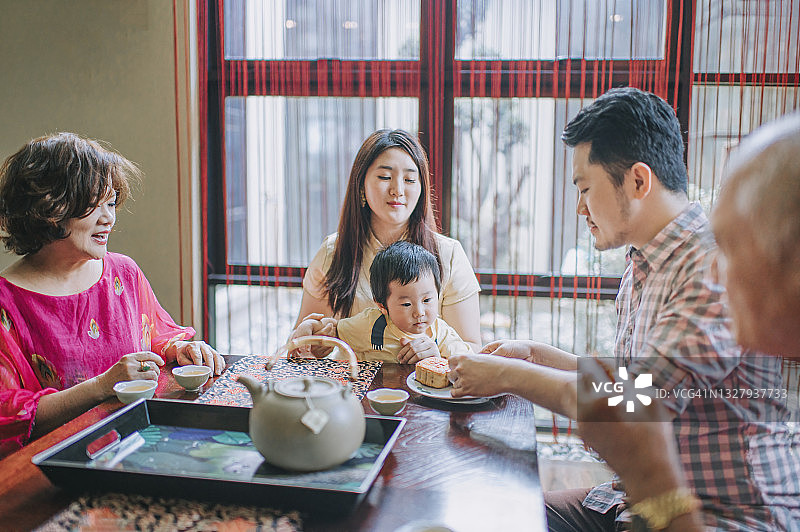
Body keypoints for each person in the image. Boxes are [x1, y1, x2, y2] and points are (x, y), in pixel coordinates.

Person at [446, 89, 799, 530]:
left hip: (726, 514)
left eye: (584, 188)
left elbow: (632, 402)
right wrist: (535, 354)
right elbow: (638, 379)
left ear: (637, 180)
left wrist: (504, 375)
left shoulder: (709, 265)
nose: (580, 208)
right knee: (499, 514)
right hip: (632, 499)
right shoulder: (643, 260)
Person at [574, 112, 800, 531]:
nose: (714, 273)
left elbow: (636, 401)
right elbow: (629, 392)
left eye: (732, 245)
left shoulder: (694, 265)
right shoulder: (641, 261)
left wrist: (650, 478)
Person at [0, 132, 225, 458]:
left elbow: (158, 338)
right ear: (48, 207)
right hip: (58, 466)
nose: (109, 217)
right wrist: (101, 386)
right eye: (93, 204)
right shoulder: (7, 302)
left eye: (111, 202)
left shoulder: (124, 273)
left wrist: (183, 349)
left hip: (140, 447)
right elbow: (8, 415)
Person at [293, 129, 481, 358]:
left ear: (421, 189)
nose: (398, 190)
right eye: (384, 177)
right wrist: (309, 342)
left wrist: (437, 357)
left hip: (422, 391)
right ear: (361, 185)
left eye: (410, 179)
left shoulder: (448, 254)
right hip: (353, 390)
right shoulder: (334, 252)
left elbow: (473, 351)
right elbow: (300, 346)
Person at [292, 241, 472, 363]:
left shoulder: (441, 333)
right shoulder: (370, 324)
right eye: (406, 304)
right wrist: (309, 328)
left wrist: (437, 360)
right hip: (374, 400)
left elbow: (467, 363)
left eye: (427, 300)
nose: (419, 312)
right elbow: (333, 331)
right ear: (382, 306)